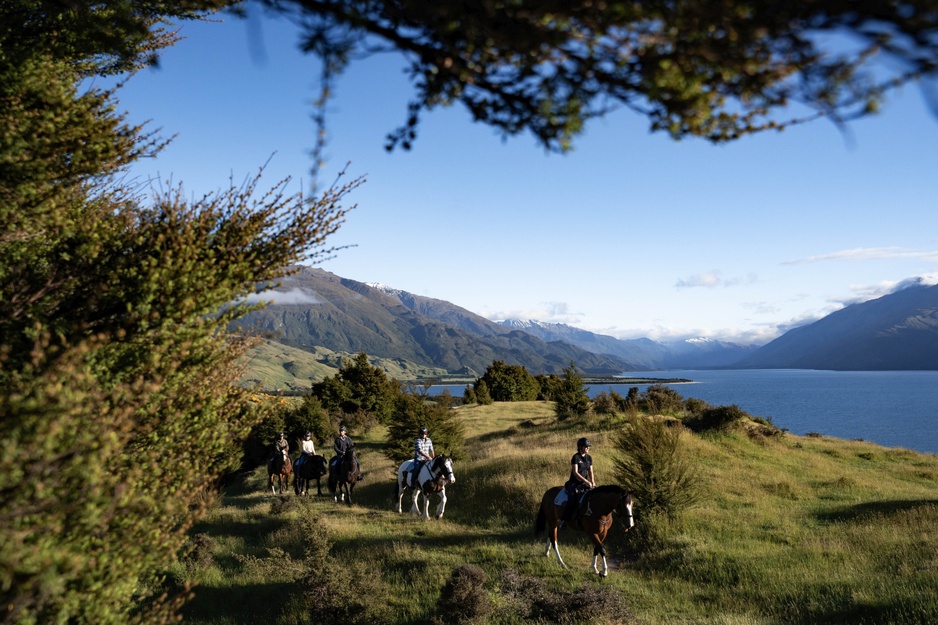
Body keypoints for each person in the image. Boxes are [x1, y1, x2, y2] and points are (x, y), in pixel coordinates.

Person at [561, 437, 595, 524]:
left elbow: (590, 471)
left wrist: (593, 481)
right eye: (586, 447)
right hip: (573, 483)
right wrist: (587, 481)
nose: (587, 448)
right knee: (572, 499)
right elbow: (575, 472)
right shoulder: (575, 457)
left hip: (584, 483)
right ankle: (564, 520)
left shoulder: (589, 458)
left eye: (588, 447)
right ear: (580, 447)